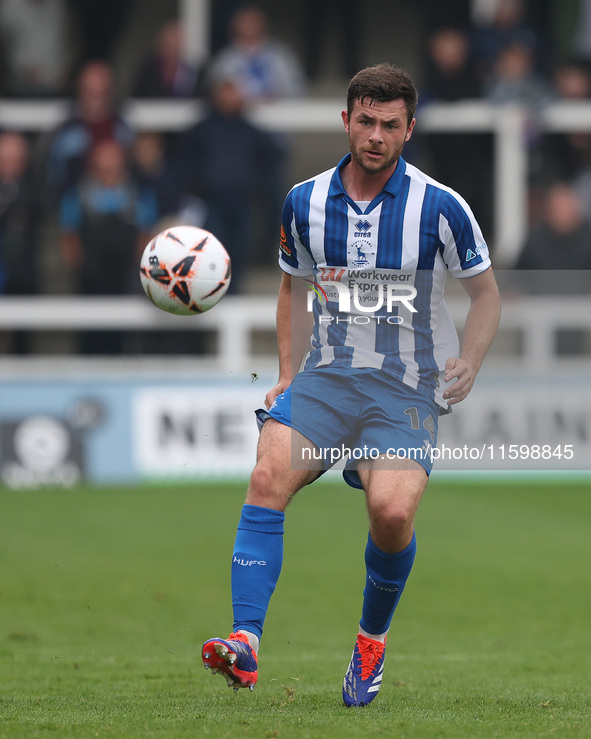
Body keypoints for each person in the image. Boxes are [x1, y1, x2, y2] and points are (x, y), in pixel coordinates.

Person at [201, 63, 501, 706]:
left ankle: (371, 643)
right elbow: (292, 287)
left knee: (391, 514)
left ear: (409, 130)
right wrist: (285, 373)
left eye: (390, 125)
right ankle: (245, 642)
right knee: (265, 477)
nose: (375, 135)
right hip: (329, 380)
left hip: (407, 388)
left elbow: (486, 296)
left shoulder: (440, 206)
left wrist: (470, 361)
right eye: (365, 120)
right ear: (346, 120)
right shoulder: (303, 201)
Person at [162, 77, 285, 292]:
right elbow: (183, 166)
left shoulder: (253, 132)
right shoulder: (201, 130)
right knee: (210, 255)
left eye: (234, 93)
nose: (230, 99)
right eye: (225, 93)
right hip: (209, 203)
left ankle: (233, 301)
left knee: (238, 254)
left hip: (243, 204)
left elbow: (270, 164)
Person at [58, 139, 158, 354]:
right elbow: (69, 235)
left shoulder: (139, 194)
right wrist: (79, 266)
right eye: (103, 158)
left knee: (124, 336)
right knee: (90, 335)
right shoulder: (78, 194)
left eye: (113, 158)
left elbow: (146, 236)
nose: (108, 164)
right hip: (91, 277)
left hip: (125, 276)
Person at [45, 60, 135, 199]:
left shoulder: (123, 129)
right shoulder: (66, 132)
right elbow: (55, 175)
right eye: (91, 92)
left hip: (123, 204)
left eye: (102, 92)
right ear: (80, 90)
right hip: (77, 206)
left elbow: (134, 174)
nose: (96, 97)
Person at [206, 5, 306, 104]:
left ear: (263, 23)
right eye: (246, 20)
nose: (250, 25)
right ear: (235, 25)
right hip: (238, 118)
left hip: (278, 116)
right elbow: (216, 93)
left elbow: (296, 89)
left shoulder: (281, 54)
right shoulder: (224, 59)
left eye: (253, 21)